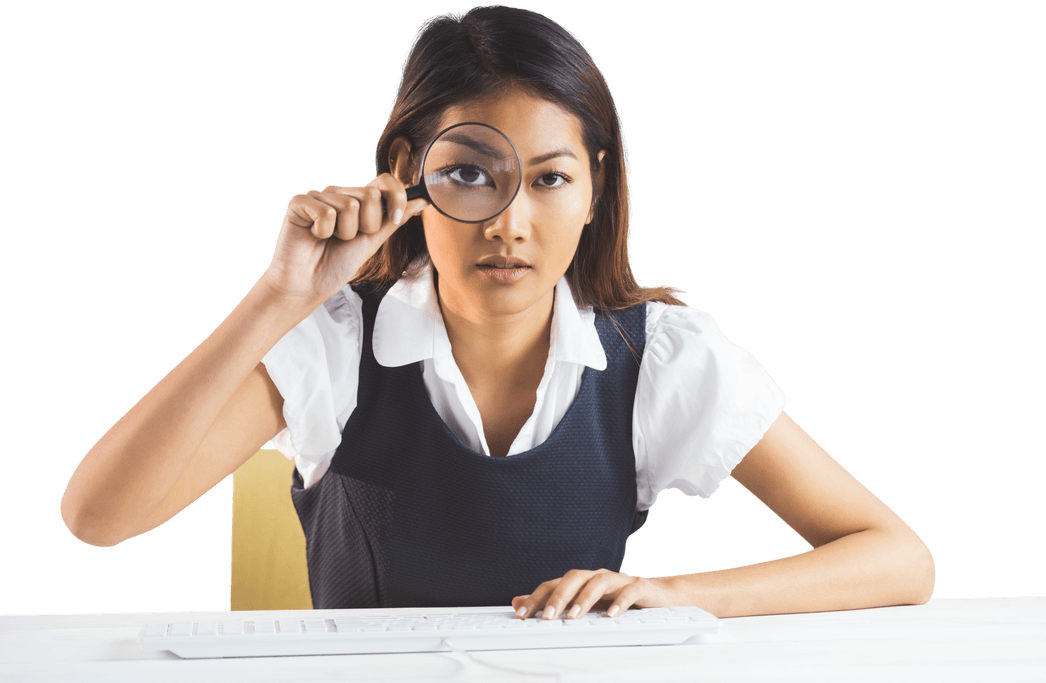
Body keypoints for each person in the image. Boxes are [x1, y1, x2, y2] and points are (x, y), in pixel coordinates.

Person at [60, 5, 934, 621]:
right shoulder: (330, 345)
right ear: (410, 169)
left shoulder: (656, 357)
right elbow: (96, 519)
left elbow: (897, 556)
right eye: (471, 173)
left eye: (551, 178)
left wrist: (681, 593)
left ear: (596, 188)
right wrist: (282, 294)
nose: (511, 223)